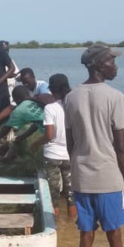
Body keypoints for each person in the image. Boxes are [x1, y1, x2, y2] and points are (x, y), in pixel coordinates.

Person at [64, 44, 124, 247]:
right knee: (114, 235)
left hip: (82, 177)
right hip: (108, 178)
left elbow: (70, 144)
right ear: (98, 65)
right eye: (111, 61)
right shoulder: (115, 97)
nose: (115, 65)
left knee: (86, 236)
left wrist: (79, 165)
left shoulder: (71, 97)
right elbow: (121, 148)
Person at [31, 73, 75, 218]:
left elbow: (49, 135)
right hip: (70, 154)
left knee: (54, 194)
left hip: (52, 155)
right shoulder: (73, 106)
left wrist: (36, 143)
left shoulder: (50, 108)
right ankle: (72, 224)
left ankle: (55, 226)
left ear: (51, 89)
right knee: (71, 194)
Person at [0, 85, 44, 152]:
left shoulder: (19, 109)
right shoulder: (36, 102)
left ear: (17, 99)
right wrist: (22, 137)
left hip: (51, 135)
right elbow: (36, 124)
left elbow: (7, 128)